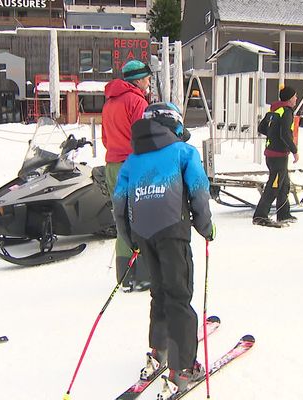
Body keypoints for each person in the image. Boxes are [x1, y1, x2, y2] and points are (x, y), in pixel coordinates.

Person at [112, 102, 215, 394]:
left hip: (144, 234)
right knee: (179, 296)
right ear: (175, 124)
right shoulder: (183, 152)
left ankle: (158, 351)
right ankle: (183, 368)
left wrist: (129, 238)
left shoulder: (133, 159)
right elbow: (198, 190)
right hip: (173, 232)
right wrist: (206, 227)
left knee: (159, 292)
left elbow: (119, 202)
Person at [102, 59, 152, 292]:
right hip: (133, 163)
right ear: (138, 80)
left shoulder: (109, 103)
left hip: (112, 164)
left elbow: (104, 138)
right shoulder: (137, 101)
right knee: (141, 217)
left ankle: (124, 275)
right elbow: (143, 137)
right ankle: (142, 274)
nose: (149, 82)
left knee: (122, 218)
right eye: (147, 78)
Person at [253, 86, 299, 227]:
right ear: (290, 98)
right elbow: (285, 134)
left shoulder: (274, 110)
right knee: (273, 186)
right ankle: (260, 215)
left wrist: (272, 136)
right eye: (295, 96)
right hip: (278, 155)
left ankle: (283, 213)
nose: (296, 98)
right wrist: (294, 150)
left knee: (284, 184)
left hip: (271, 153)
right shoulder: (286, 112)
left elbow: (261, 128)